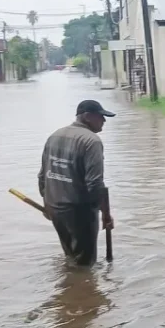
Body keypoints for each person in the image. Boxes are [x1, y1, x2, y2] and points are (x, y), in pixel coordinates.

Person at [38, 100, 115, 267]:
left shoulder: (55, 135)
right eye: (101, 116)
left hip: (55, 208)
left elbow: (42, 176)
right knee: (85, 265)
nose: (104, 120)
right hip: (79, 212)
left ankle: (71, 287)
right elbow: (95, 184)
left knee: (71, 256)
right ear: (87, 117)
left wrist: (47, 203)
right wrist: (105, 213)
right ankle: (82, 290)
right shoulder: (92, 141)